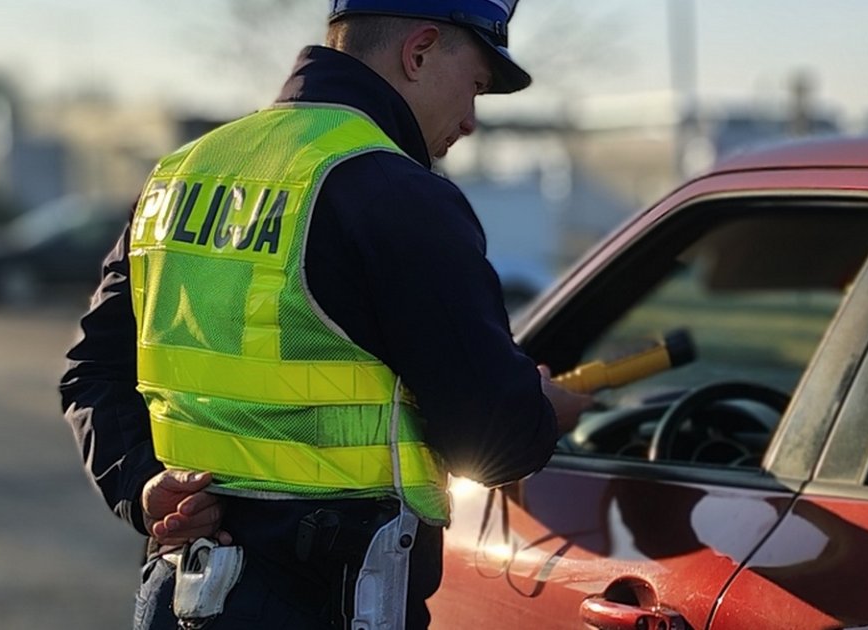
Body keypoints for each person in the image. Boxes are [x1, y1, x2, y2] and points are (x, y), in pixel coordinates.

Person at [59, 1, 591, 628]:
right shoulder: (399, 195)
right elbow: (492, 442)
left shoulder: (178, 174)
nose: (471, 121)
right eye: (474, 86)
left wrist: (146, 490)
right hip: (336, 598)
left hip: (181, 598)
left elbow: (92, 373)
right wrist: (543, 412)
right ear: (418, 52)